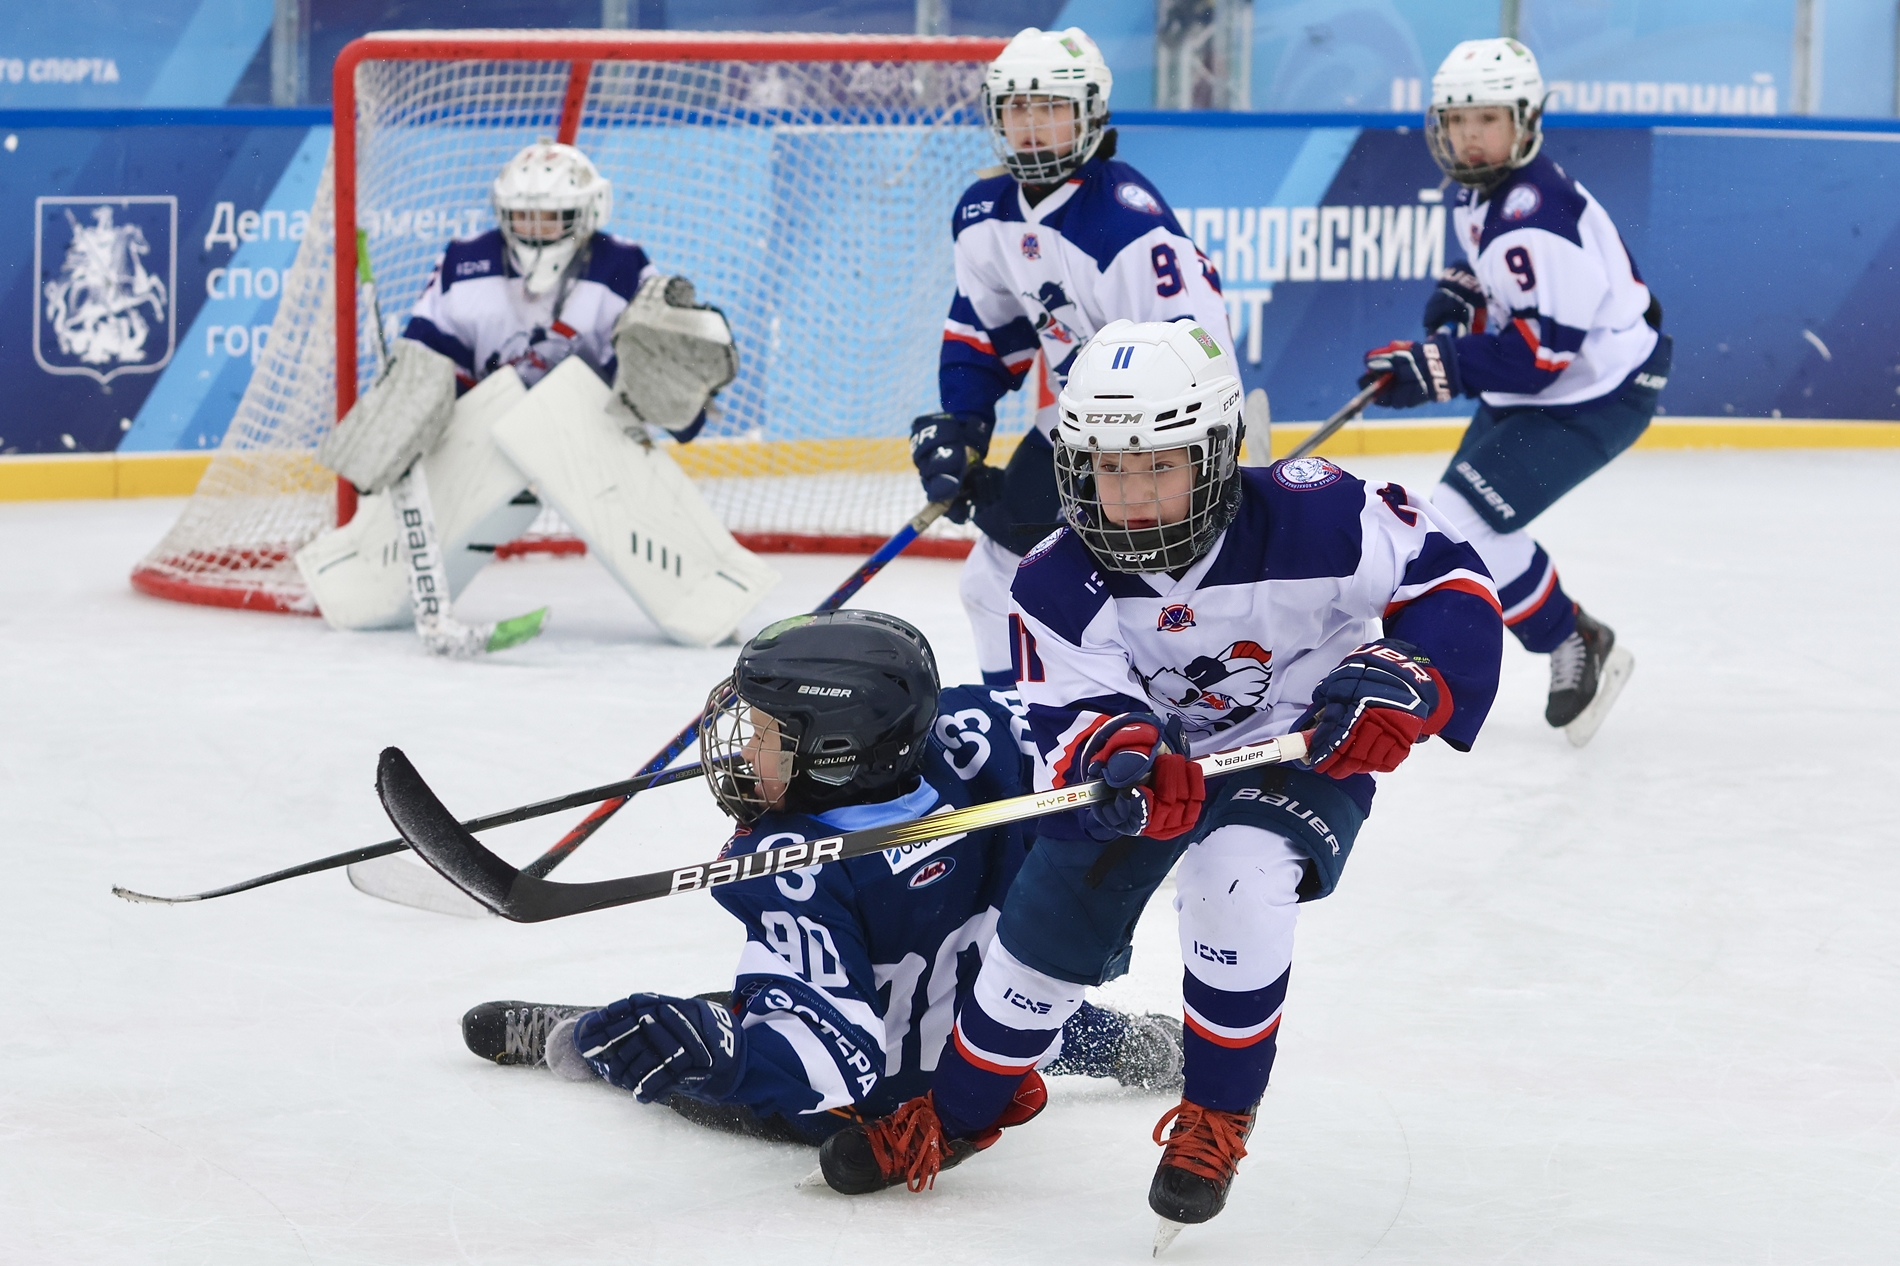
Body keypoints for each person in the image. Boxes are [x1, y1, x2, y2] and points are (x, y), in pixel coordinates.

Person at [815, 321, 1504, 1249]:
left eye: (1160, 466)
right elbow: (1071, 714)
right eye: (1107, 469)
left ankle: (1217, 1113)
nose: (1132, 496)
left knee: (1238, 877)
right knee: (1036, 953)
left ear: (1217, 454)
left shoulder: (1320, 514)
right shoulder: (1055, 578)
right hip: (1156, 768)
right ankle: (970, 1106)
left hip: (1299, 751)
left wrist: (1414, 675)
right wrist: (1119, 760)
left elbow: (1452, 578)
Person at [460, 610, 1187, 1145]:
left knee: (706, 1033)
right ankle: (1134, 1046)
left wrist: (722, 1059)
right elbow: (1085, 730)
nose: (745, 747)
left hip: (871, 1095)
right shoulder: (971, 736)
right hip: (998, 1032)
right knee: (1012, 1008)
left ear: (838, 753)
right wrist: (1123, 764)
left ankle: (583, 1037)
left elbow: (835, 1061)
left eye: (769, 733)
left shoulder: (787, 873)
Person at [302, 140, 771, 652]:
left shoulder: (622, 266)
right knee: (487, 421)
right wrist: (409, 406)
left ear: (588, 212)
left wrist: (668, 388)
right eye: (522, 217)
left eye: (552, 218)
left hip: (579, 433)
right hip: (483, 429)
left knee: (572, 415)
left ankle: (707, 592)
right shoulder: (466, 262)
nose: (535, 231)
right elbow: (430, 359)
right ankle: (355, 575)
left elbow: (634, 389)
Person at [911, 26, 1235, 687]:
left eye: (1050, 107)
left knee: (1130, 604)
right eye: (1017, 108)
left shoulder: (1125, 222)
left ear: (1090, 114)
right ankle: (1022, 736)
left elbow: (1202, 352)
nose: (1031, 126)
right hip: (1075, 424)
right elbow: (983, 329)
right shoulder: (983, 212)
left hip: (1156, 439)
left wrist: (1187, 462)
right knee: (993, 580)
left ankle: (1139, 730)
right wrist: (963, 425)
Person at [1359, 38, 1660, 745]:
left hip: (1597, 393)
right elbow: (1495, 273)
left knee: (1466, 522)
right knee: (1461, 522)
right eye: (1458, 121)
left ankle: (1574, 640)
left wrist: (1434, 367)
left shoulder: (1537, 214)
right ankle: (1565, 636)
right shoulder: (1487, 187)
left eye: (1486, 120)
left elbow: (1539, 358)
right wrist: (1457, 297)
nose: (1470, 137)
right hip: (1558, 388)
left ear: (1525, 120)